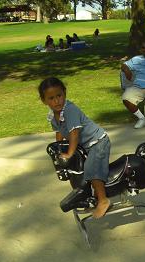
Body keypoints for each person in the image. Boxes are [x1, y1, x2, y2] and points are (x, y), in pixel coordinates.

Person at [39, 77, 111, 219]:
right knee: (78, 172)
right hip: (85, 145)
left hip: (97, 142)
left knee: (92, 169)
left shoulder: (70, 110)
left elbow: (74, 134)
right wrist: (59, 149)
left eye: (59, 96)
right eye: (51, 98)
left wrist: (69, 154)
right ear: (44, 101)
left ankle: (103, 200)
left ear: (64, 93)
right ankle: (90, 195)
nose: (56, 101)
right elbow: (59, 132)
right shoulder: (53, 115)